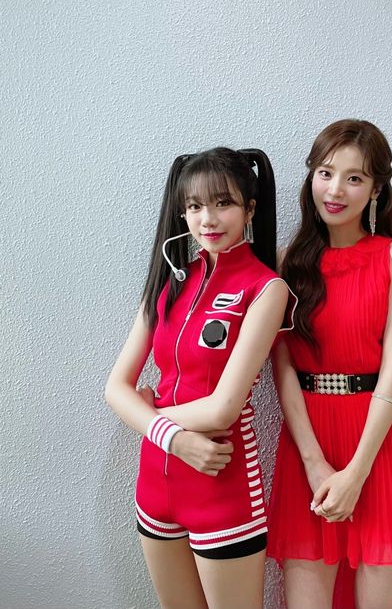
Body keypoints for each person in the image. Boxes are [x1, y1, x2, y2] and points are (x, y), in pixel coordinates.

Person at [267, 120, 392, 609]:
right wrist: (314, 463)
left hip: (380, 446)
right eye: (325, 172)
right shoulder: (285, 262)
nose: (335, 190)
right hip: (308, 442)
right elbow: (282, 366)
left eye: (354, 178)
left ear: (376, 189)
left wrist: (355, 473)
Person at [105, 147, 295, 609]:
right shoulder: (167, 280)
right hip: (155, 483)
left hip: (222, 483)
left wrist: (149, 415)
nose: (207, 219)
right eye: (194, 206)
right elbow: (115, 389)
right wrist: (173, 439)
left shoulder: (266, 289)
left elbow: (222, 409)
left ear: (250, 209)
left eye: (223, 203)